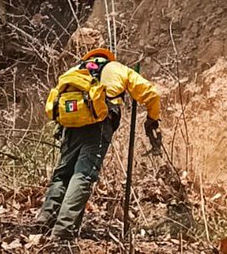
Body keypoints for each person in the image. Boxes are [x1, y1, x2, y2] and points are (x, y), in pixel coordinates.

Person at [36, 47, 161, 240]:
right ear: (108, 57)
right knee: (83, 174)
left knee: (63, 173)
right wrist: (153, 118)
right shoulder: (116, 68)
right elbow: (151, 93)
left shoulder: (74, 70)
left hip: (70, 126)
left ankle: (45, 218)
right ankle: (63, 230)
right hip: (98, 126)